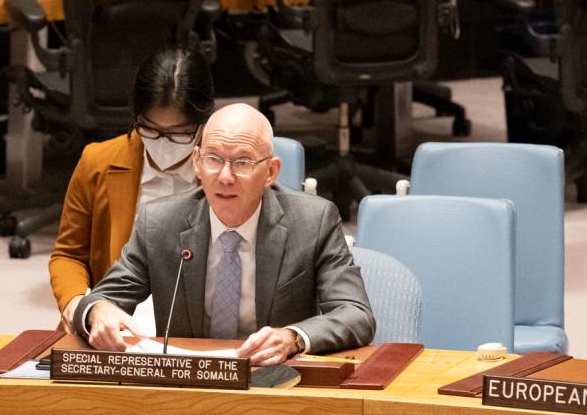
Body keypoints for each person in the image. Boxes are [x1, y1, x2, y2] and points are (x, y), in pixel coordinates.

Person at [75, 103, 375, 365]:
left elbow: (355, 313)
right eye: (213, 159)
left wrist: (294, 337)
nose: (225, 177)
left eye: (242, 162)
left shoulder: (313, 221)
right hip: (188, 383)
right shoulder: (160, 223)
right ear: (197, 162)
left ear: (271, 172)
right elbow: (102, 299)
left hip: (276, 379)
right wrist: (97, 312)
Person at [50, 49, 215, 326]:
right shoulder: (98, 161)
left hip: (198, 328)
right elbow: (69, 255)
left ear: (204, 121)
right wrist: (79, 304)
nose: (163, 143)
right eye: (150, 128)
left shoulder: (224, 172)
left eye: (179, 133)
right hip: (113, 323)